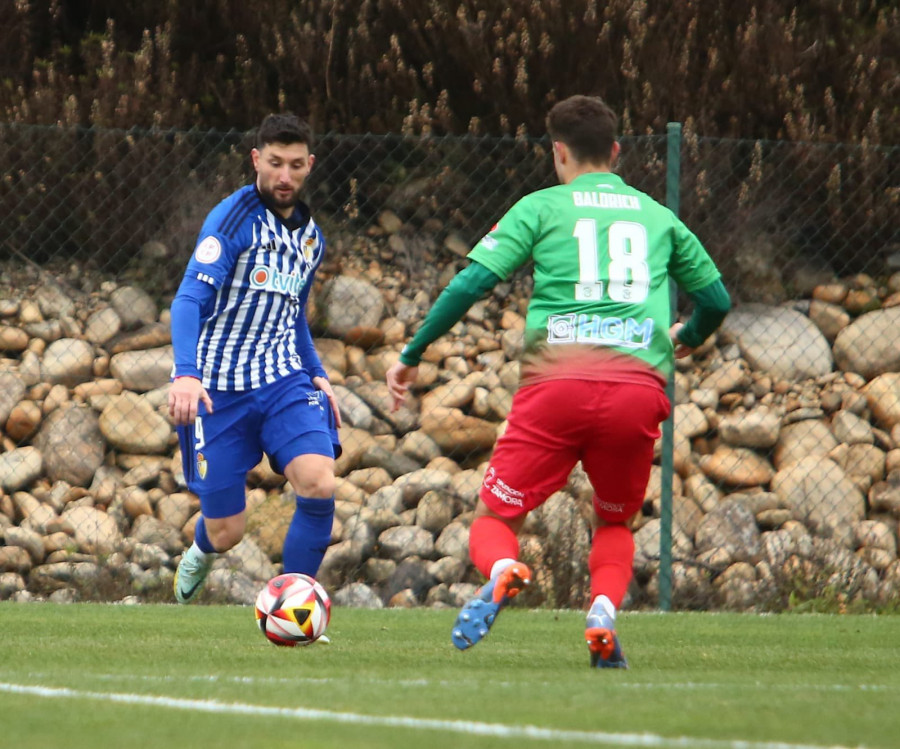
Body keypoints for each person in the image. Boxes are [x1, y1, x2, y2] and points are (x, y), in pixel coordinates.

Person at [386, 95, 730, 668]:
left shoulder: (540, 208)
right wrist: (687, 335)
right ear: (616, 153)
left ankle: (503, 570)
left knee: (497, 518)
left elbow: (471, 285)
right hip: (637, 387)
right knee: (615, 520)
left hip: (558, 384)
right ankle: (600, 614)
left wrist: (413, 351)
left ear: (558, 153)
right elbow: (717, 300)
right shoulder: (657, 216)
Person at [168, 113, 341, 607]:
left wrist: (317, 373)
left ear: (309, 165)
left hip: (285, 382)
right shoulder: (231, 221)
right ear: (255, 160)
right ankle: (201, 551)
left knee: (318, 481)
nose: (283, 177)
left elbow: (294, 316)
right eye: (273, 164)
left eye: (294, 165)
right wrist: (185, 373)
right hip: (217, 391)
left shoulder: (312, 239)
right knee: (227, 533)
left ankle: (295, 607)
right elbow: (187, 301)